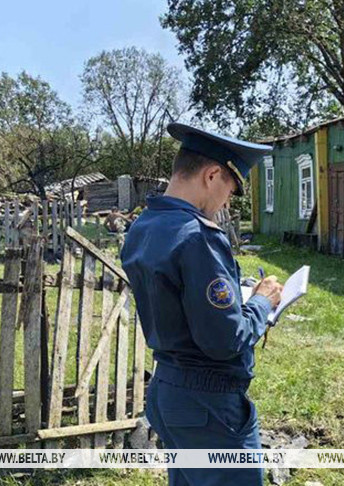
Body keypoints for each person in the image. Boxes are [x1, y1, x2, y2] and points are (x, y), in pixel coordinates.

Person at [121, 123, 283, 485]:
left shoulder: (144, 226)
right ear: (211, 175)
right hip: (209, 403)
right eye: (230, 190)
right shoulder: (198, 236)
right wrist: (261, 302)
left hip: (168, 388)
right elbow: (225, 339)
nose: (226, 203)